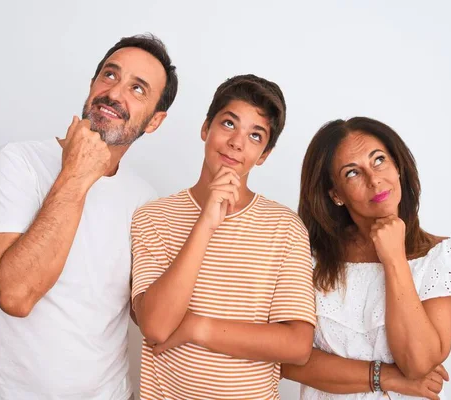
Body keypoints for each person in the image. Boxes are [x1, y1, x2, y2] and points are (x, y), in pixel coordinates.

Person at [0, 34, 178, 400]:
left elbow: (149, 317)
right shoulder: (17, 163)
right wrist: (77, 174)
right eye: (110, 75)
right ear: (92, 84)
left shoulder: (145, 200)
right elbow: (15, 295)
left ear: (154, 121)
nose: (114, 93)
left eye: (137, 89)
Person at [131, 74, 316, 400]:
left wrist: (197, 328)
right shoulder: (153, 217)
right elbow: (156, 327)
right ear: (206, 129)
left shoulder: (285, 227)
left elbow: (298, 346)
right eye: (229, 124)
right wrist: (205, 224)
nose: (237, 142)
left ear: (264, 155)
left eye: (255, 135)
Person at [282, 117, 451, 400]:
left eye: (379, 160)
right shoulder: (307, 258)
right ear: (336, 194)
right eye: (352, 173)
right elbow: (285, 361)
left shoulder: (444, 257)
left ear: (398, 166)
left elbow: (419, 364)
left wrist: (394, 257)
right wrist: (388, 377)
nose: (374, 179)